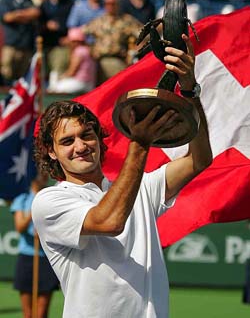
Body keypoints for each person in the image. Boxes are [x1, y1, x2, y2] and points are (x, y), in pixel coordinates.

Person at [31, 33, 212, 317]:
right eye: (67, 141)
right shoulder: (49, 201)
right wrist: (140, 144)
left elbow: (198, 160)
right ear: (51, 152)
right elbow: (110, 220)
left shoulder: (141, 187)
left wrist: (189, 89)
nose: (80, 147)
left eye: (86, 135)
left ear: (98, 139)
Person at [10, 173, 59, 318]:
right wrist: (35, 210)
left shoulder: (52, 196)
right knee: (28, 314)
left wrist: (45, 232)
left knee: (41, 312)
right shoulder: (22, 197)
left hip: (46, 258)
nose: (42, 176)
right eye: (38, 173)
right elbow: (19, 227)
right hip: (26, 257)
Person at [82, 0, 143, 84]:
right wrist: (89, 48)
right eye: (107, 3)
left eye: (113, 3)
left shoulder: (126, 21)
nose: (110, 6)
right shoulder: (98, 21)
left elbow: (143, 35)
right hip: (98, 61)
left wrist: (133, 51)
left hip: (117, 60)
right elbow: (80, 34)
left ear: (118, 5)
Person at [0, 0, 40, 85]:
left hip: (25, 45)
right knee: (6, 75)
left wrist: (17, 15)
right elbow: (7, 17)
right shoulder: (5, 0)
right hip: (11, 45)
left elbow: (35, 12)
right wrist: (25, 15)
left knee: (23, 79)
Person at [39, 0, 73, 81]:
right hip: (46, 42)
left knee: (57, 69)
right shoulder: (44, 4)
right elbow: (39, 23)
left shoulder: (68, 4)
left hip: (60, 43)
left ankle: (53, 91)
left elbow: (70, 23)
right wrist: (46, 25)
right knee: (43, 71)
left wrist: (61, 29)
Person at [47, 27, 96, 94]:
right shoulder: (87, 49)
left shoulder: (79, 51)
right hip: (90, 85)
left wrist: (60, 78)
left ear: (75, 41)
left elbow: (72, 72)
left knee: (54, 87)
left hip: (80, 84)